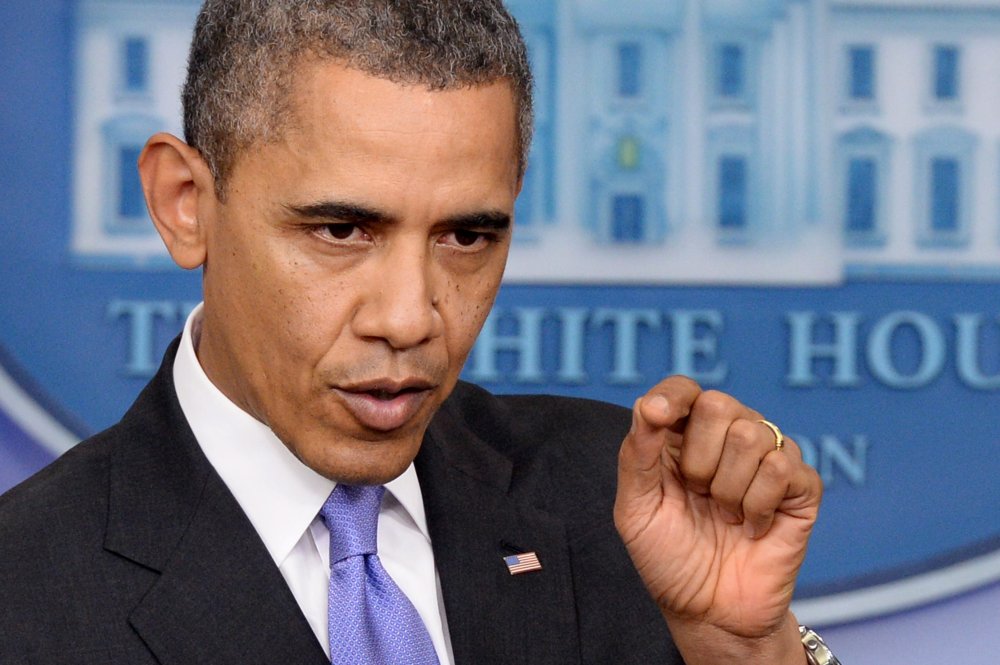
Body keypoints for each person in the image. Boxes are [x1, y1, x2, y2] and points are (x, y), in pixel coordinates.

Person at [0, 1, 834, 663]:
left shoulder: (623, 504)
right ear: (185, 204)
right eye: (340, 230)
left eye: (467, 237)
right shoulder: (22, 590)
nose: (409, 318)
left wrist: (744, 653)